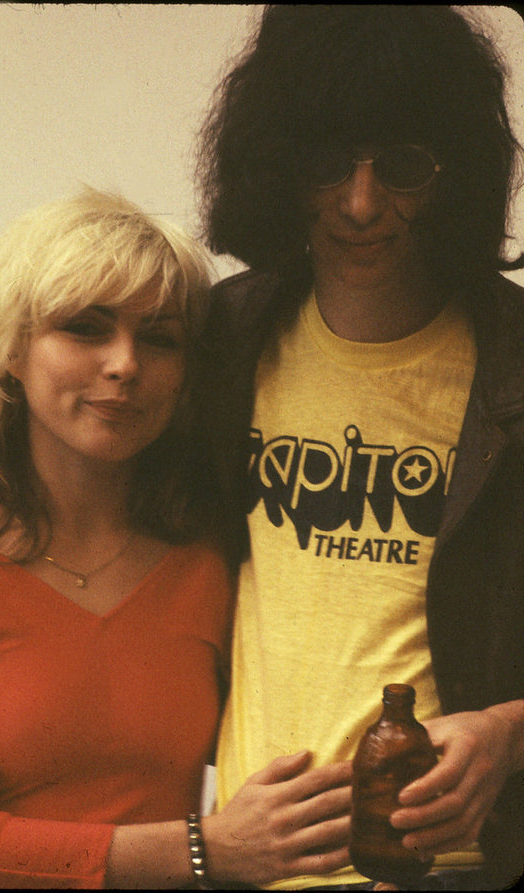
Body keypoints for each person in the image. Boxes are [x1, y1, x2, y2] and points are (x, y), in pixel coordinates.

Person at [0, 187, 353, 889]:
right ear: (11, 352)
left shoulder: (216, 551)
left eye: (160, 338)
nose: (125, 363)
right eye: (86, 327)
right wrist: (206, 849)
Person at [195, 5, 524, 890]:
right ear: (279, 166)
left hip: (443, 868)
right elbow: (77, 476)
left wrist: (508, 731)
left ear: (453, 174)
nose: (362, 202)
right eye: (327, 162)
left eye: (404, 167)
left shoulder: (514, 362)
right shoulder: (226, 337)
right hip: (252, 861)